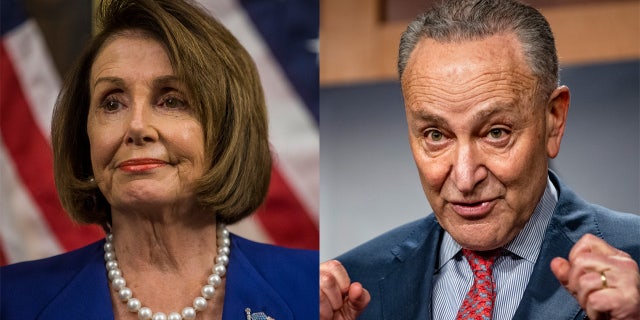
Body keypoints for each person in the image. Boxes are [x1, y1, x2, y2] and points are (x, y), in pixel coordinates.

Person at [319, 0, 640, 319]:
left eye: (496, 132)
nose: (465, 177)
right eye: (435, 135)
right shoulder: (349, 289)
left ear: (554, 119)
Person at [0, 0, 317, 319]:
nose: (136, 127)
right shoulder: (12, 300)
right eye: (112, 104)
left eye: (171, 101)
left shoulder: (313, 290)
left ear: (226, 130)